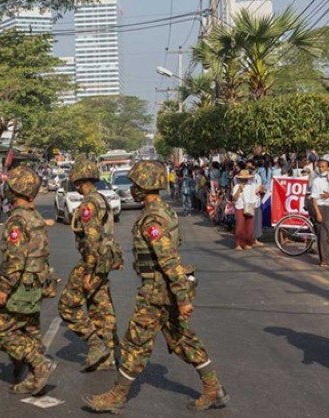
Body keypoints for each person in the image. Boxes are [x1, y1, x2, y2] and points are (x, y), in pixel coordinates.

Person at [83, 160, 228, 414]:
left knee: (135, 342)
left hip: (157, 291)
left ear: (147, 185)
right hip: (164, 289)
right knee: (182, 339)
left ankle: (117, 395)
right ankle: (213, 387)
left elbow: (168, 260)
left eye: (136, 184)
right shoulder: (163, 211)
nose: (133, 188)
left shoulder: (153, 219)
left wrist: (182, 298)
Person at [0, 166, 57, 395]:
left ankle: (39, 364)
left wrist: (4, 288)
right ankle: (33, 373)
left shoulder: (17, 220)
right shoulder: (35, 216)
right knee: (31, 329)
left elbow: (16, 258)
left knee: (2, 331)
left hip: (20, 285)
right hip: (35, 282)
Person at [58, 160, 119, 373]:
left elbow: (92, 239)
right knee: (100, 307)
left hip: (92, 261)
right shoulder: (100, 198)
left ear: (78, 180)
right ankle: (108, 357)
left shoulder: (89, 204)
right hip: (104, 260)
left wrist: (89, 271)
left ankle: (96, 344)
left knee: (67, 305)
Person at [310, 159, 329, 267]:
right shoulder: (316, 181)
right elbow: (314, 199)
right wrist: (318, 213)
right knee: (323, 236)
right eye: (320, 167)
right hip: (321, 208)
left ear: (328, 168)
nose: (321, 169)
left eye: (323, 167)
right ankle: (324, 259)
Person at [232, 169, 257, 250]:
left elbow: (255, 195)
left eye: (245, 179)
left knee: (249, 226)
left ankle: (248, 243)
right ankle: (239, 243)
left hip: (249, 207)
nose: (244, 180)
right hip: (240, 207)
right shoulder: (236, 186)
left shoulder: (252, 186)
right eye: (242, 179)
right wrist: (239, 189)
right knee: (240, 226)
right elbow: (234, 198)